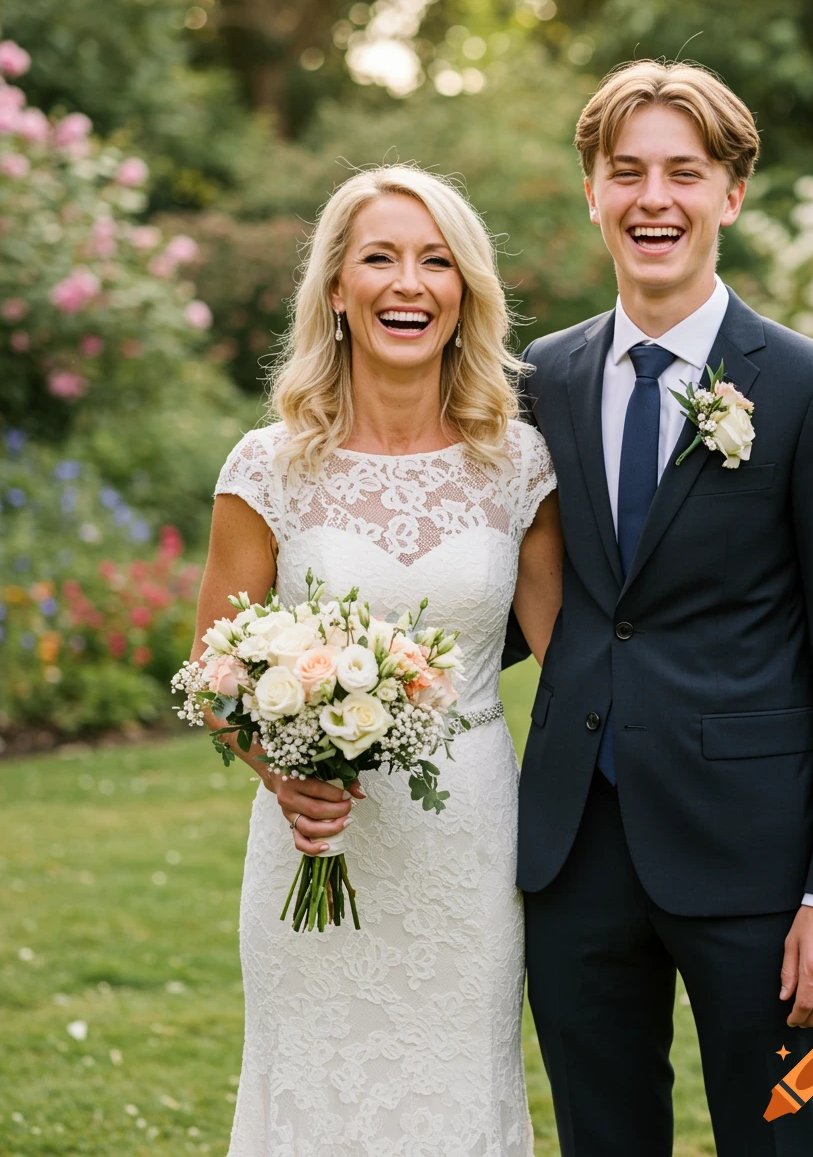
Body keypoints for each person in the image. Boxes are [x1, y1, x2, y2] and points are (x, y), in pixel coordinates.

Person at [507, 59, 813, 1157]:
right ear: (589, 188)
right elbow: (517, 590)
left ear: (729, 193)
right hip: (575, 851)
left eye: (684, 171)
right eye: (623, 171)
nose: (652, 198)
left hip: (758, 867)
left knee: (775, 1140)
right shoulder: (546, 376)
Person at [190, 164, 562, 1156]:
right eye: (381, 258)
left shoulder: (518, 464)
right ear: (337, 291)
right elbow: (212, 674)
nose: (410, 282)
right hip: (313, 844)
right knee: (313, 1094)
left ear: (465, 292)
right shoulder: (265, 466)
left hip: (468, 844)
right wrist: (282, 774)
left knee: (456, 1091)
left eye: (436, 261)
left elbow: (574, 665)